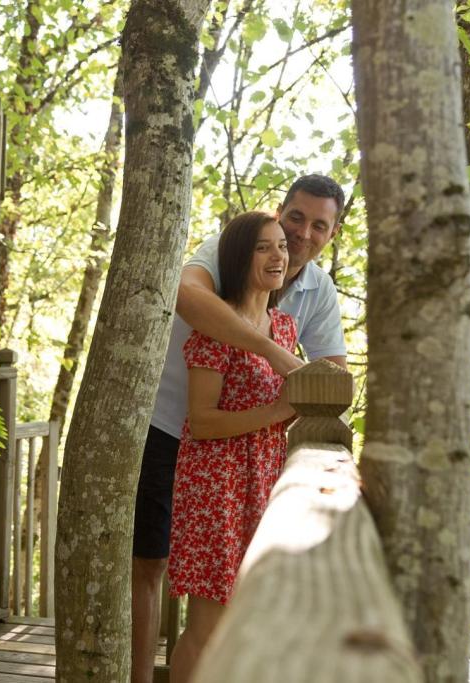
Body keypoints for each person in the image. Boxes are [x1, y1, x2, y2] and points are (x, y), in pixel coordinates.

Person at [130, 174, 348, 683]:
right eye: (295, 219)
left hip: (254, 471)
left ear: (332, 233)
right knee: (151, 565)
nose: (301, 234)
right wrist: (276, 359)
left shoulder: (312, 295)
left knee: (238, 609)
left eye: (319, 225)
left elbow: (332, 377)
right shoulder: (231, 247)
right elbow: (187, 297)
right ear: (279, 212)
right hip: (173, 431)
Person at [166, 211, 296, 682]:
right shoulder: (217, 327)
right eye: (263, 247)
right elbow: (201, 423)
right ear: (240, 257)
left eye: (282, 245)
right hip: (215, 487)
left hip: (263, 484)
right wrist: (277, 412)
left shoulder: (284, 328)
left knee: (246, 620)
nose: (278, 256)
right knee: (209, 626)